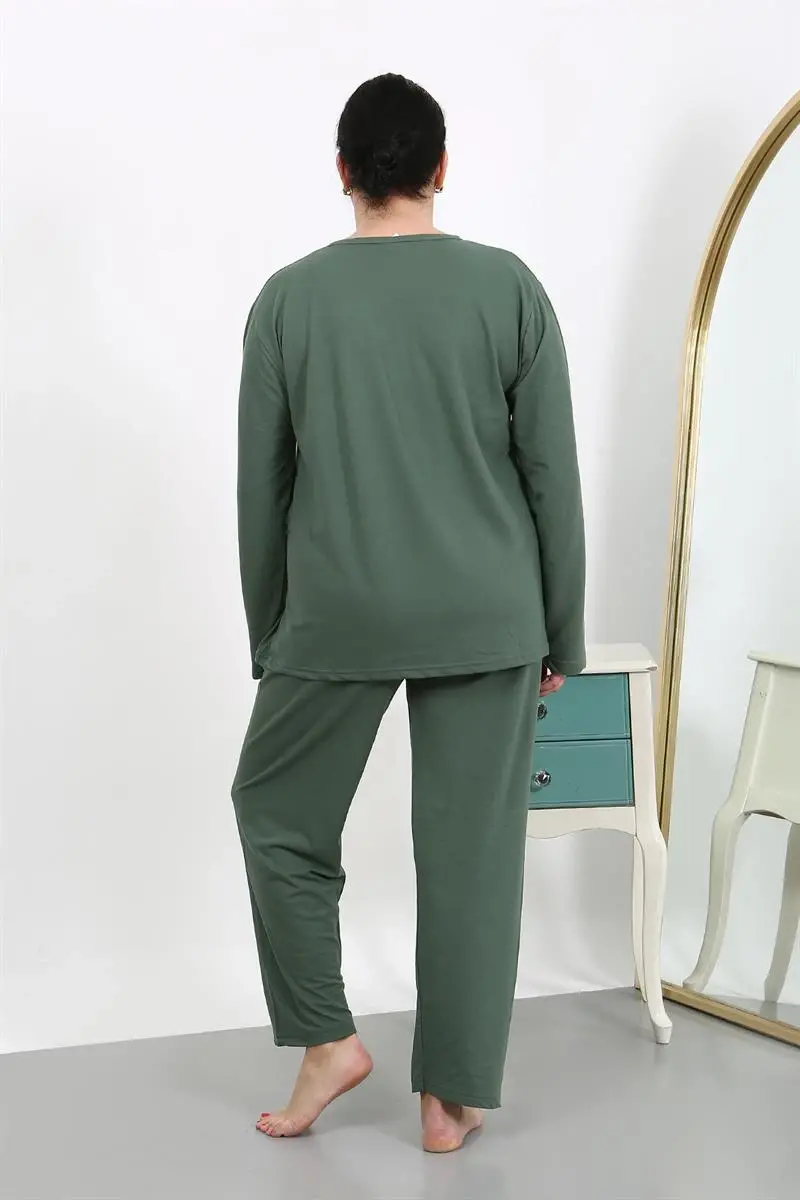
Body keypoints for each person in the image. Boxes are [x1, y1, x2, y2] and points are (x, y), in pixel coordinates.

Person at [232, 73, 585, 1153]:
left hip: (336, 609)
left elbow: (263, 486)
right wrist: (561, 631)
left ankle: (326, 1039)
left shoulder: (288, 301)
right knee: (473, 851)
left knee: (276, 814)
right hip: (489, 608)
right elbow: (549, 475)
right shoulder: (508, 288)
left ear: (343, 171)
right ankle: (449, 1100)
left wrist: (269, 629)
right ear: (440, 169)